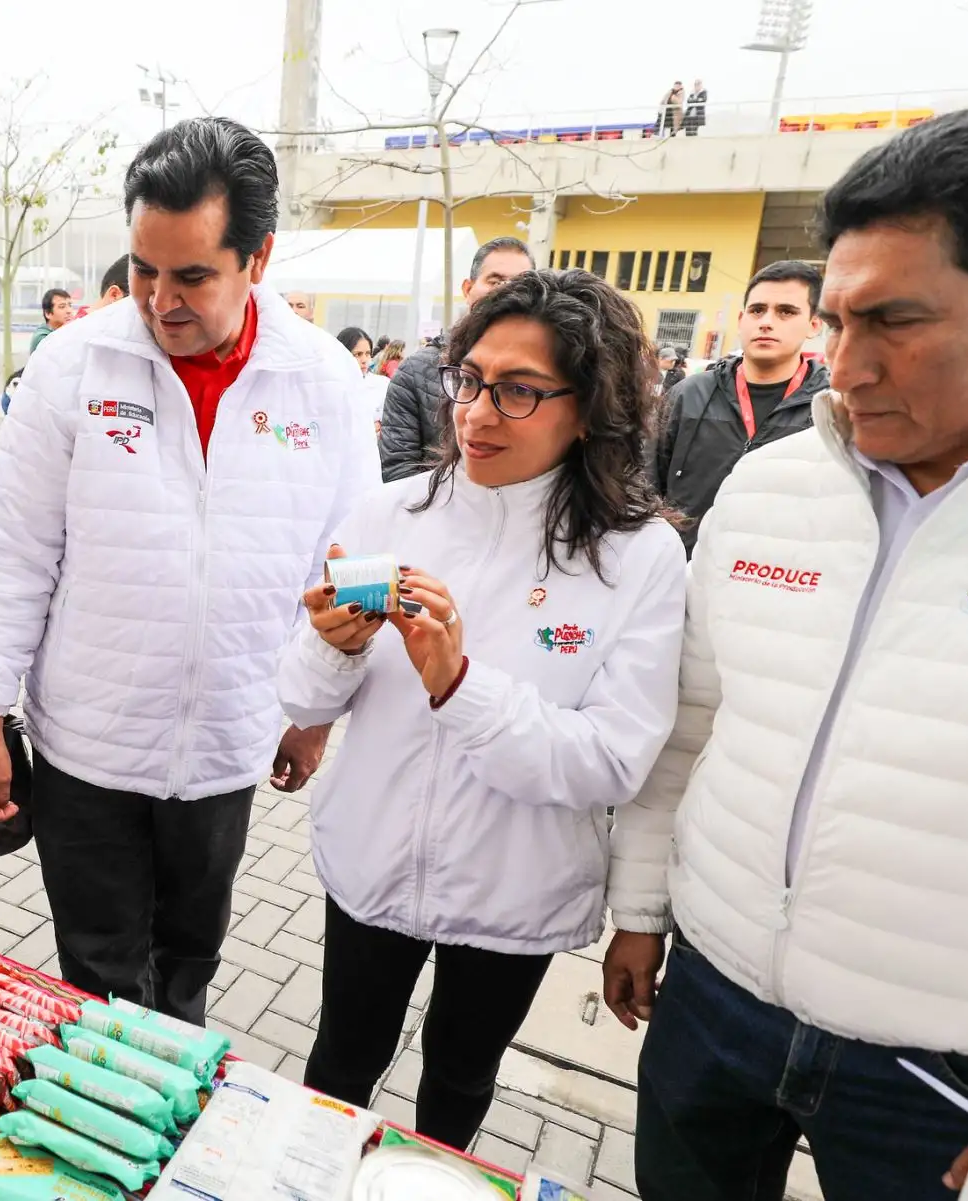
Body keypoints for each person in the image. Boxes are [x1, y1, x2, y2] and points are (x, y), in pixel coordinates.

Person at [604, 105, 968, 1201]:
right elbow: (690, 720)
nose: (848, 365)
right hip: (714, 996)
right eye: (836, 319)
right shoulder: (772, 491)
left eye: (897, 322)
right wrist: (641, 910)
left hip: (940, 1070)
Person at [0, 116, 377, 1024]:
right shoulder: (70, 368)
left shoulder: (323, 383)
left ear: (257, 258)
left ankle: (173, 1126)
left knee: (188, 964)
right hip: (87, 748)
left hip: (230, 738)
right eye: (144, 268)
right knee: (99, 975)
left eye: (192, 276)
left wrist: (315, 710)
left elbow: (344, 564)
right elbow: (16, 554)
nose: (159, 300)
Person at [282, 268, 684, 1149]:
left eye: (518, 391)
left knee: (461, 1076)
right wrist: (332, 644)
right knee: (341, 1063)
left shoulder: (639, 556)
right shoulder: (393, 511)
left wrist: (459, 684)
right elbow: (305, 699)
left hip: (516, 889)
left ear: (590, 406)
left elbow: (612, 759)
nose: (476, 413)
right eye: (469, 380)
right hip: (372, 859)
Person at [653, 259, 827, 552]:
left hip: (772, 579)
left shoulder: (829, 407)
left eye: (786, 312)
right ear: (741, 319)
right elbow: (646, 481)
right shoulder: (689, 394)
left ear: (813, 325)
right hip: (680, 572)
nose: (767, 321)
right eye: (757, 310)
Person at [379, 236, 535, 481]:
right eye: (496, 281)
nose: (507, 291)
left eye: (519, 283)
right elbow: (397, 469)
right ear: (468, 288)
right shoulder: (416, 371)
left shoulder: (545, 371)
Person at [29, 288, 74, 354]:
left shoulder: (64, 330)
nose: (69, 311)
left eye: (70, 305)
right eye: (62, 307)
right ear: (48, 313)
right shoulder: (42, 337)